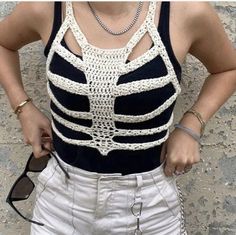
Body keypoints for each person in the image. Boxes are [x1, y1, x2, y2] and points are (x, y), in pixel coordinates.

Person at [0, 1, 235, 235]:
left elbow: (227, 69)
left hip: (150, 208)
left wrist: (191, 125)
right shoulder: (48, 8)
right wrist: (23, 108)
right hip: (60, 202)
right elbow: (3, 43)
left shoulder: (185, 12)